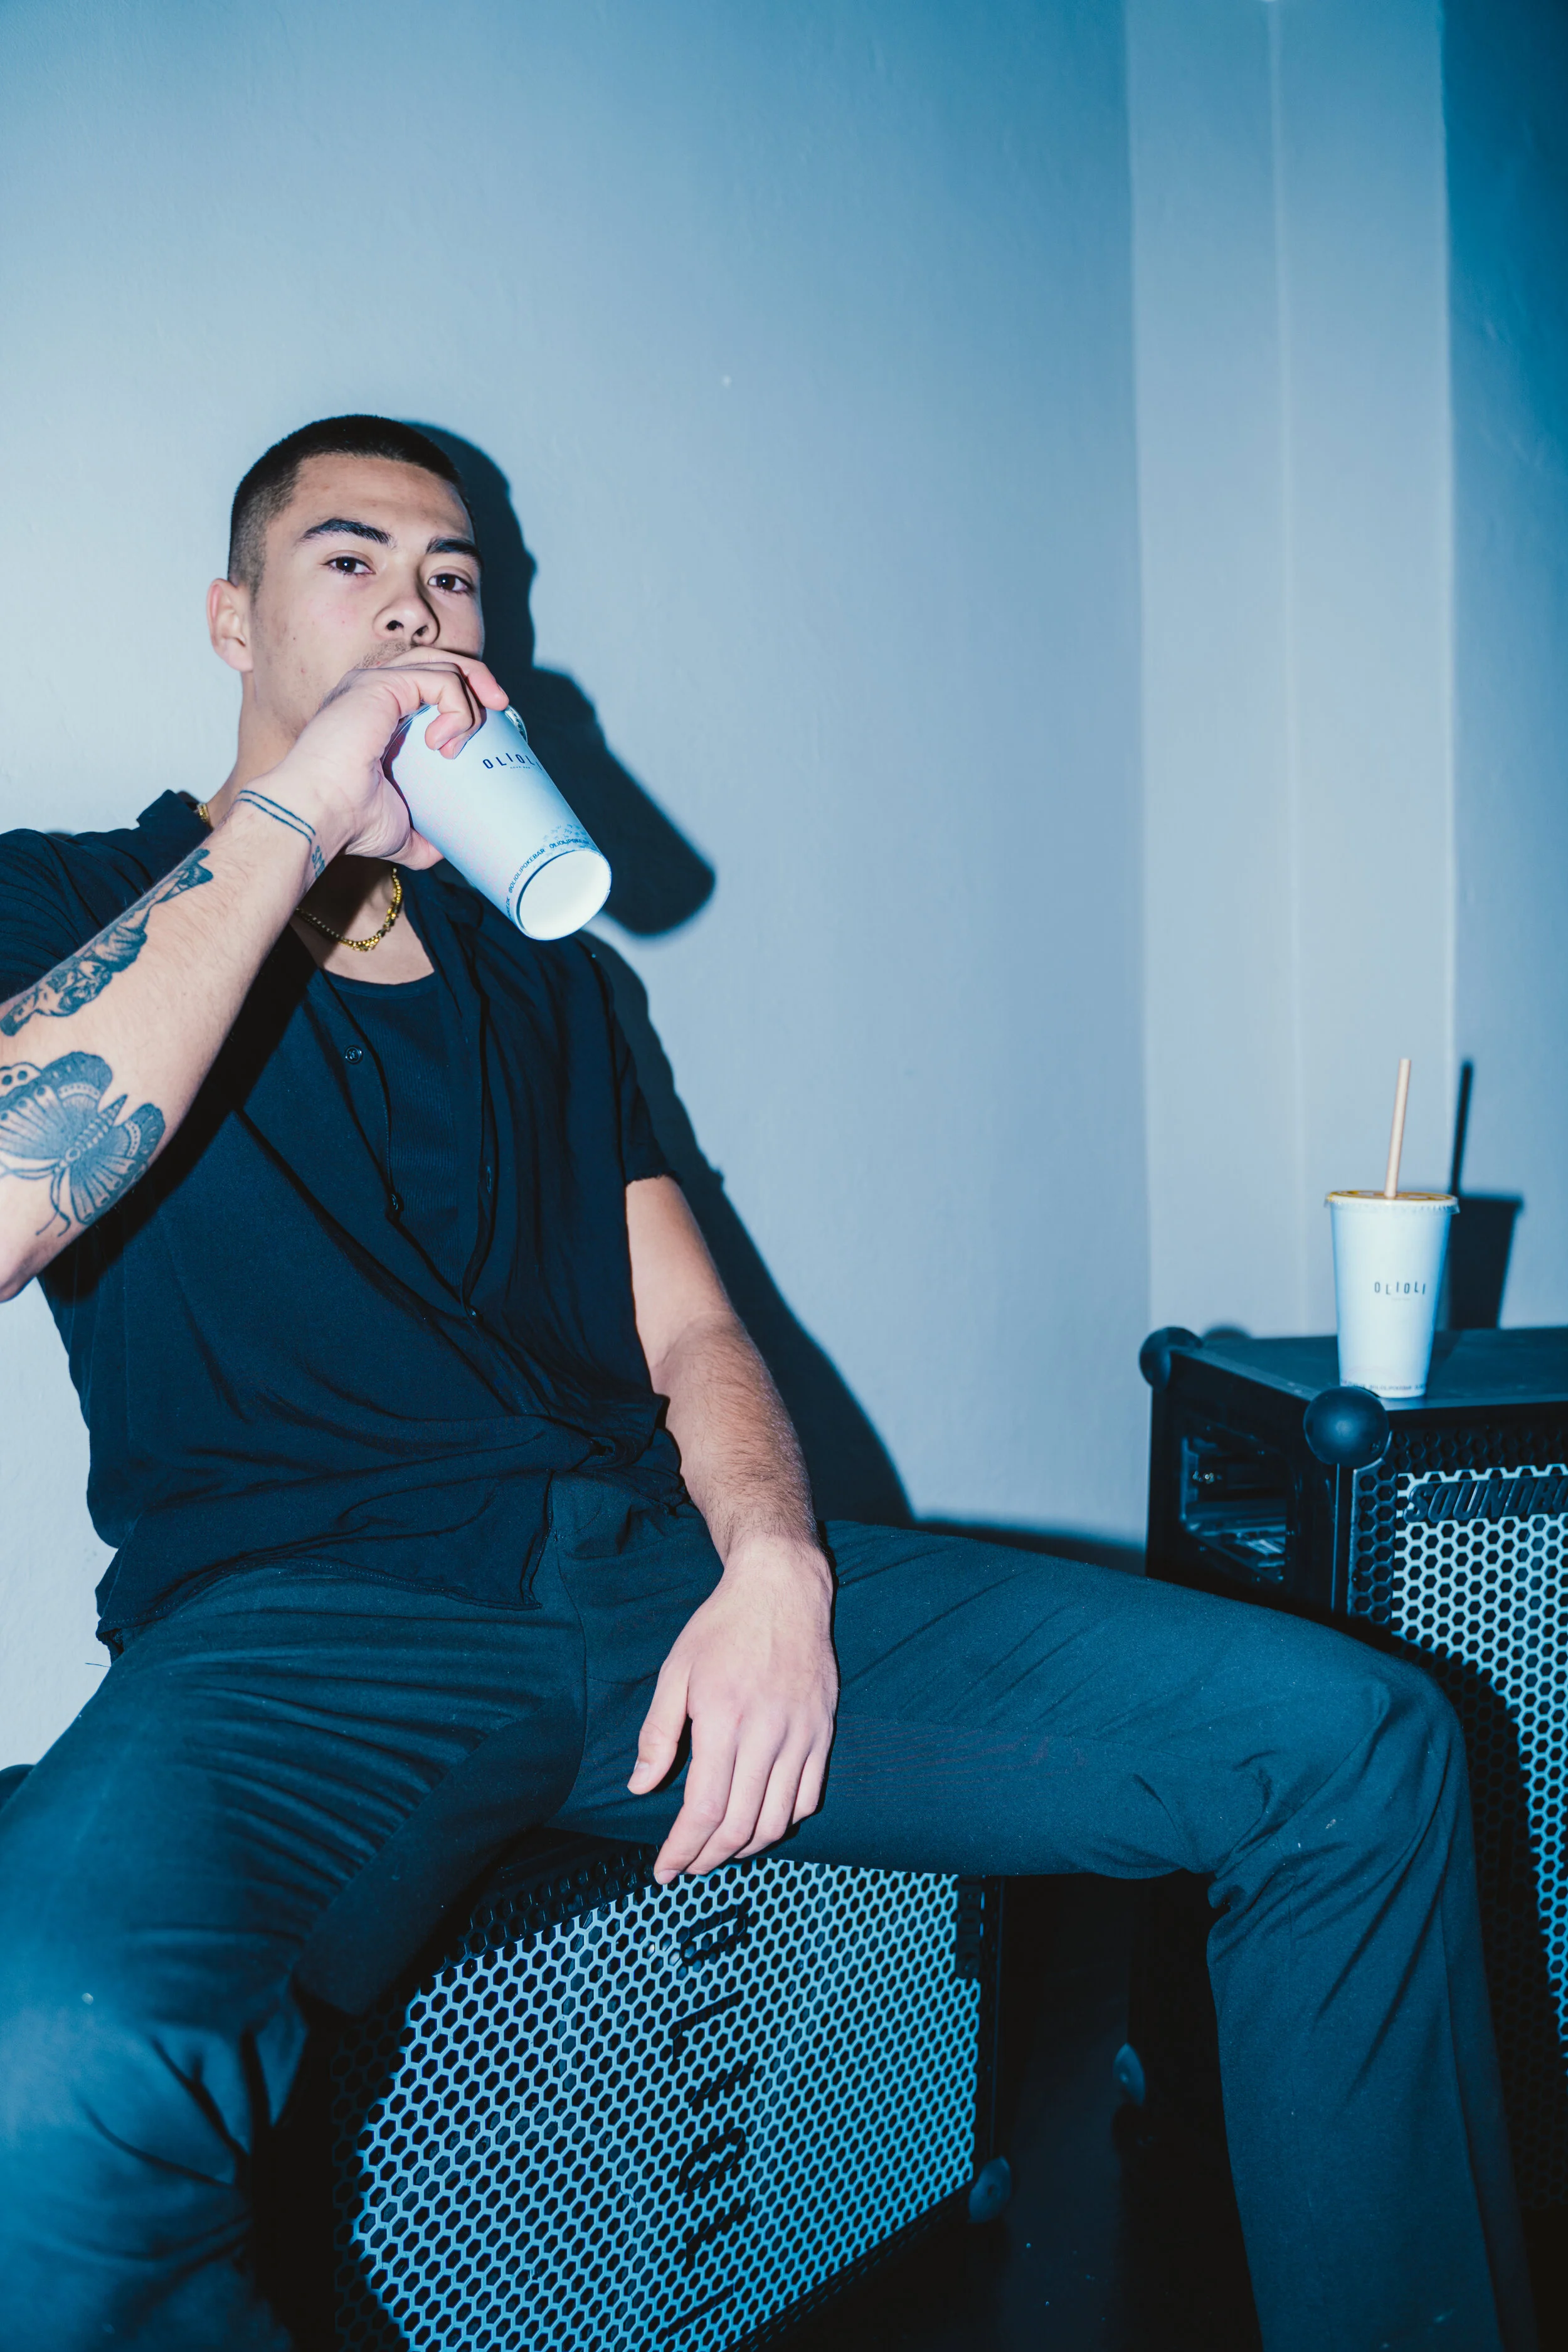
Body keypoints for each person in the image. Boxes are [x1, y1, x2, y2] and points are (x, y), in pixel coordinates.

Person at [0, 415, 1535, 2352]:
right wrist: (292, 813)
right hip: (299, 1627)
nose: (417, 598)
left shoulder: (550, 984)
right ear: (232, 617)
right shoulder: (74, 907)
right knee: (44, 2071)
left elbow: (694, 1335)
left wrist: (776, 1569)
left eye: (456, 572)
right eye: (351, 556)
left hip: (645, 1574)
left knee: (1353, 1747)